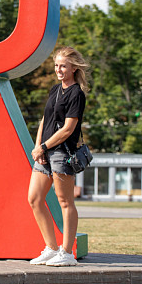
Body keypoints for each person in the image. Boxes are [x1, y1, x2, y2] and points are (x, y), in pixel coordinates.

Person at [28, 46, 90, 267]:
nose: (59, 69)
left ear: (74, 68)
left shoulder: (77, 94)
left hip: (62, 152)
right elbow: (45, 121)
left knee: (65, 201)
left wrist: (44, 146)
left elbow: (68, 129)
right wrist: (38, 147)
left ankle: (67, 253)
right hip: (44, 152)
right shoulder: (55, 90)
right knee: (34, 199)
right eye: (56, 65)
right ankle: (51, 248)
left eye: (63, 65)